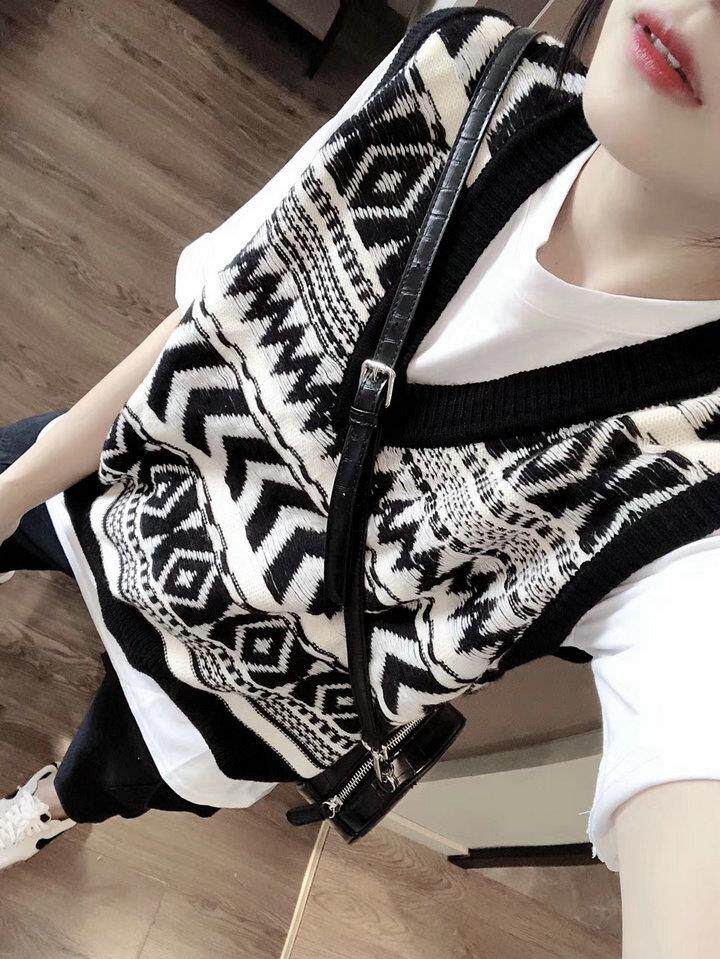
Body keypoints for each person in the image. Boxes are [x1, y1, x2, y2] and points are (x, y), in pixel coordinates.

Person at [2, 3, 720, 954]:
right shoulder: (460, 73)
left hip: (239, 696)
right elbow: (212, 314)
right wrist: (19, 484)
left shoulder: (691, 485)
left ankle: (51, 805)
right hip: (127, 473)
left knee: (107, 774)